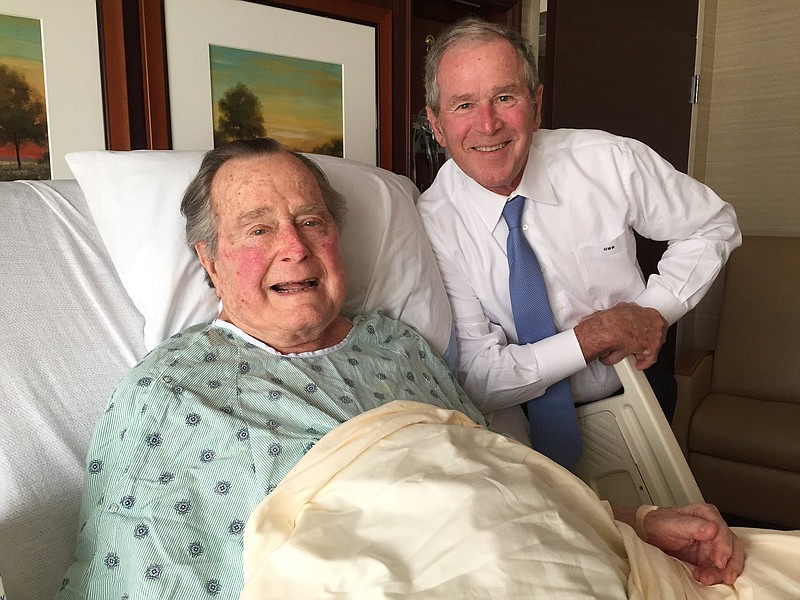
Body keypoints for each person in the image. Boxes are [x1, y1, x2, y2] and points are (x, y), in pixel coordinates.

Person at [57, 139, 743, 599]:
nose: (293, 247)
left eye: (312, 221)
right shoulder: (172, 393)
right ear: (208, 263)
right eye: (258, 229)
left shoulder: (397, 345)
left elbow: (502, 484)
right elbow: (143, 572)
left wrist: (639, 522)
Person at [416, 17, 742, 459]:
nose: (488, 124)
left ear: (536, 102)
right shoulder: (432, 221)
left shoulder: (606, 161)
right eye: (463, 105)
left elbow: (713, 224)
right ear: (436, 124)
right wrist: (592, 336)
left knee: (661, 520)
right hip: (517, 426)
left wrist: (656, 311)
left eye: (505, 97)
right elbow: (478, 374)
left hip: (639, 394)